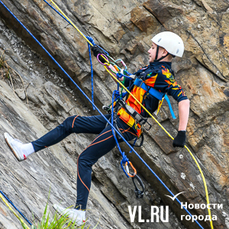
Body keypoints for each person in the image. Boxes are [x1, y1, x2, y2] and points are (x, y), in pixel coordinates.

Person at [4, 31, 190, 225]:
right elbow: (124, 79)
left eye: (153, 47)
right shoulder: (149, 70)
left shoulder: (164, 76)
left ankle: (79, 213)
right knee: (71, 123)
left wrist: (181, 133)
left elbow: (184, 101)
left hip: (124, 126)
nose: (149, 50)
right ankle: (26, 150)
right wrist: (101, 56)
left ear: (164, 52)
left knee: (85, 159)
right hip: (117, 117)